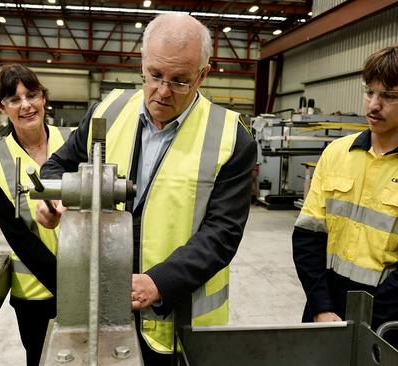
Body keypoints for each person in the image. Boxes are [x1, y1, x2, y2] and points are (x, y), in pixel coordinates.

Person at [36, 13, 256, 364]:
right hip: (104, 301)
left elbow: (223, 233)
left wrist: (160, 282)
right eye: (154, 76)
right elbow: (56, 167)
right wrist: (55, 199)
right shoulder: (108, 110)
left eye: (181, 81)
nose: (163, 91)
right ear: (142, 64)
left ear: (203, 74)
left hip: (179, 317)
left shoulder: (231, 138)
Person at [292, 44, 398, 329]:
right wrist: (321, 307)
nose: (373, 105)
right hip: (325, 310)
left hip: (390, 323)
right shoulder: (335, 153)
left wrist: (360, 325)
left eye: (389, 96)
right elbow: (308, 236)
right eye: (370, 92)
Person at [0, 64, 73, 365]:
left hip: (84, 274)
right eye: (15, 99)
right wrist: (64, 283)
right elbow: (16, 233)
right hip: (35, 290)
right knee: (40, 358)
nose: (26, 105)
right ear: (3, 107)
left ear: (43, 98)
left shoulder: (72, 141)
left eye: (31, 95)